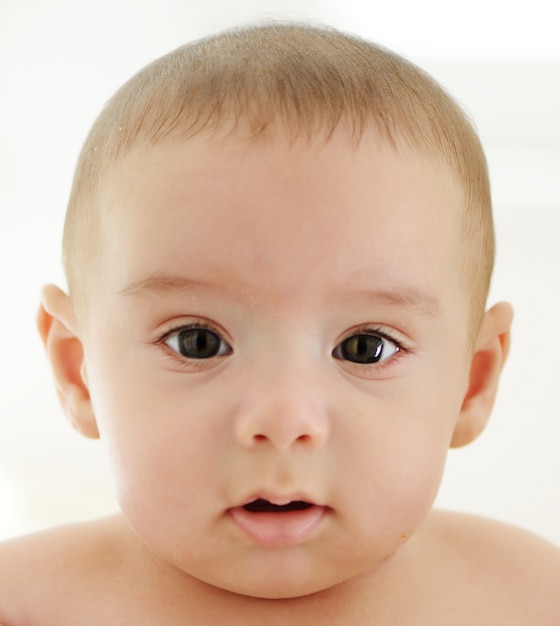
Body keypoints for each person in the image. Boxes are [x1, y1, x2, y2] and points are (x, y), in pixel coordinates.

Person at [0, 22, 558, 625]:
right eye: (199, 341)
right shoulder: (27, 600)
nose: (284, 420)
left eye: (365, 347)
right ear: (78, 370)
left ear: (471, 385)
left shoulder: (525, 596)